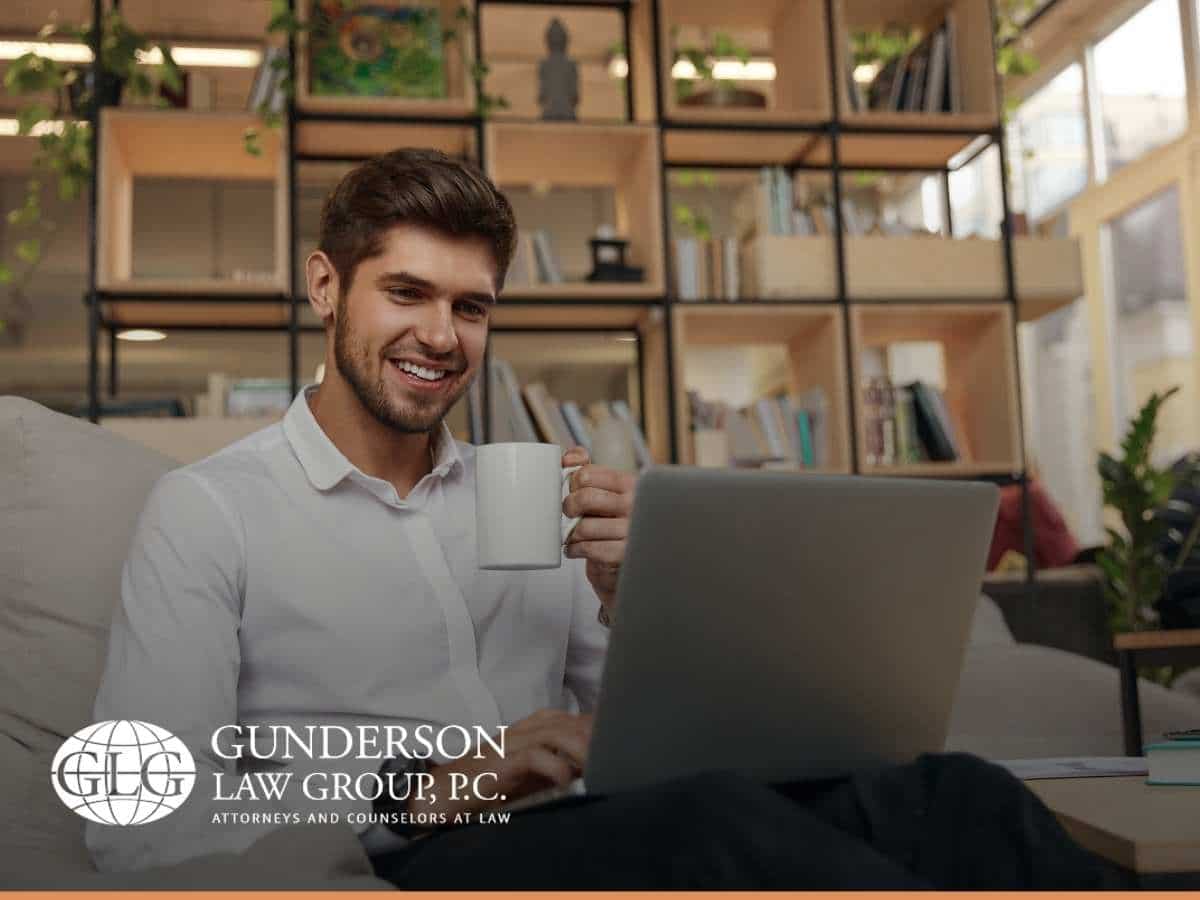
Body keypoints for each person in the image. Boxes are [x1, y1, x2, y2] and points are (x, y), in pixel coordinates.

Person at [89, 149, 1113, 889]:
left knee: (950, 797)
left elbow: (629, 737)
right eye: (406, 292)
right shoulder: (212, 510)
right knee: (712, 831)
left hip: (598, 827)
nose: (440, 336)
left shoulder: (527, 491)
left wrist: (634, 603)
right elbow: (136, 818)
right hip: (409, 859)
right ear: (326, 286)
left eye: (471, 306)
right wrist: (426, 789)